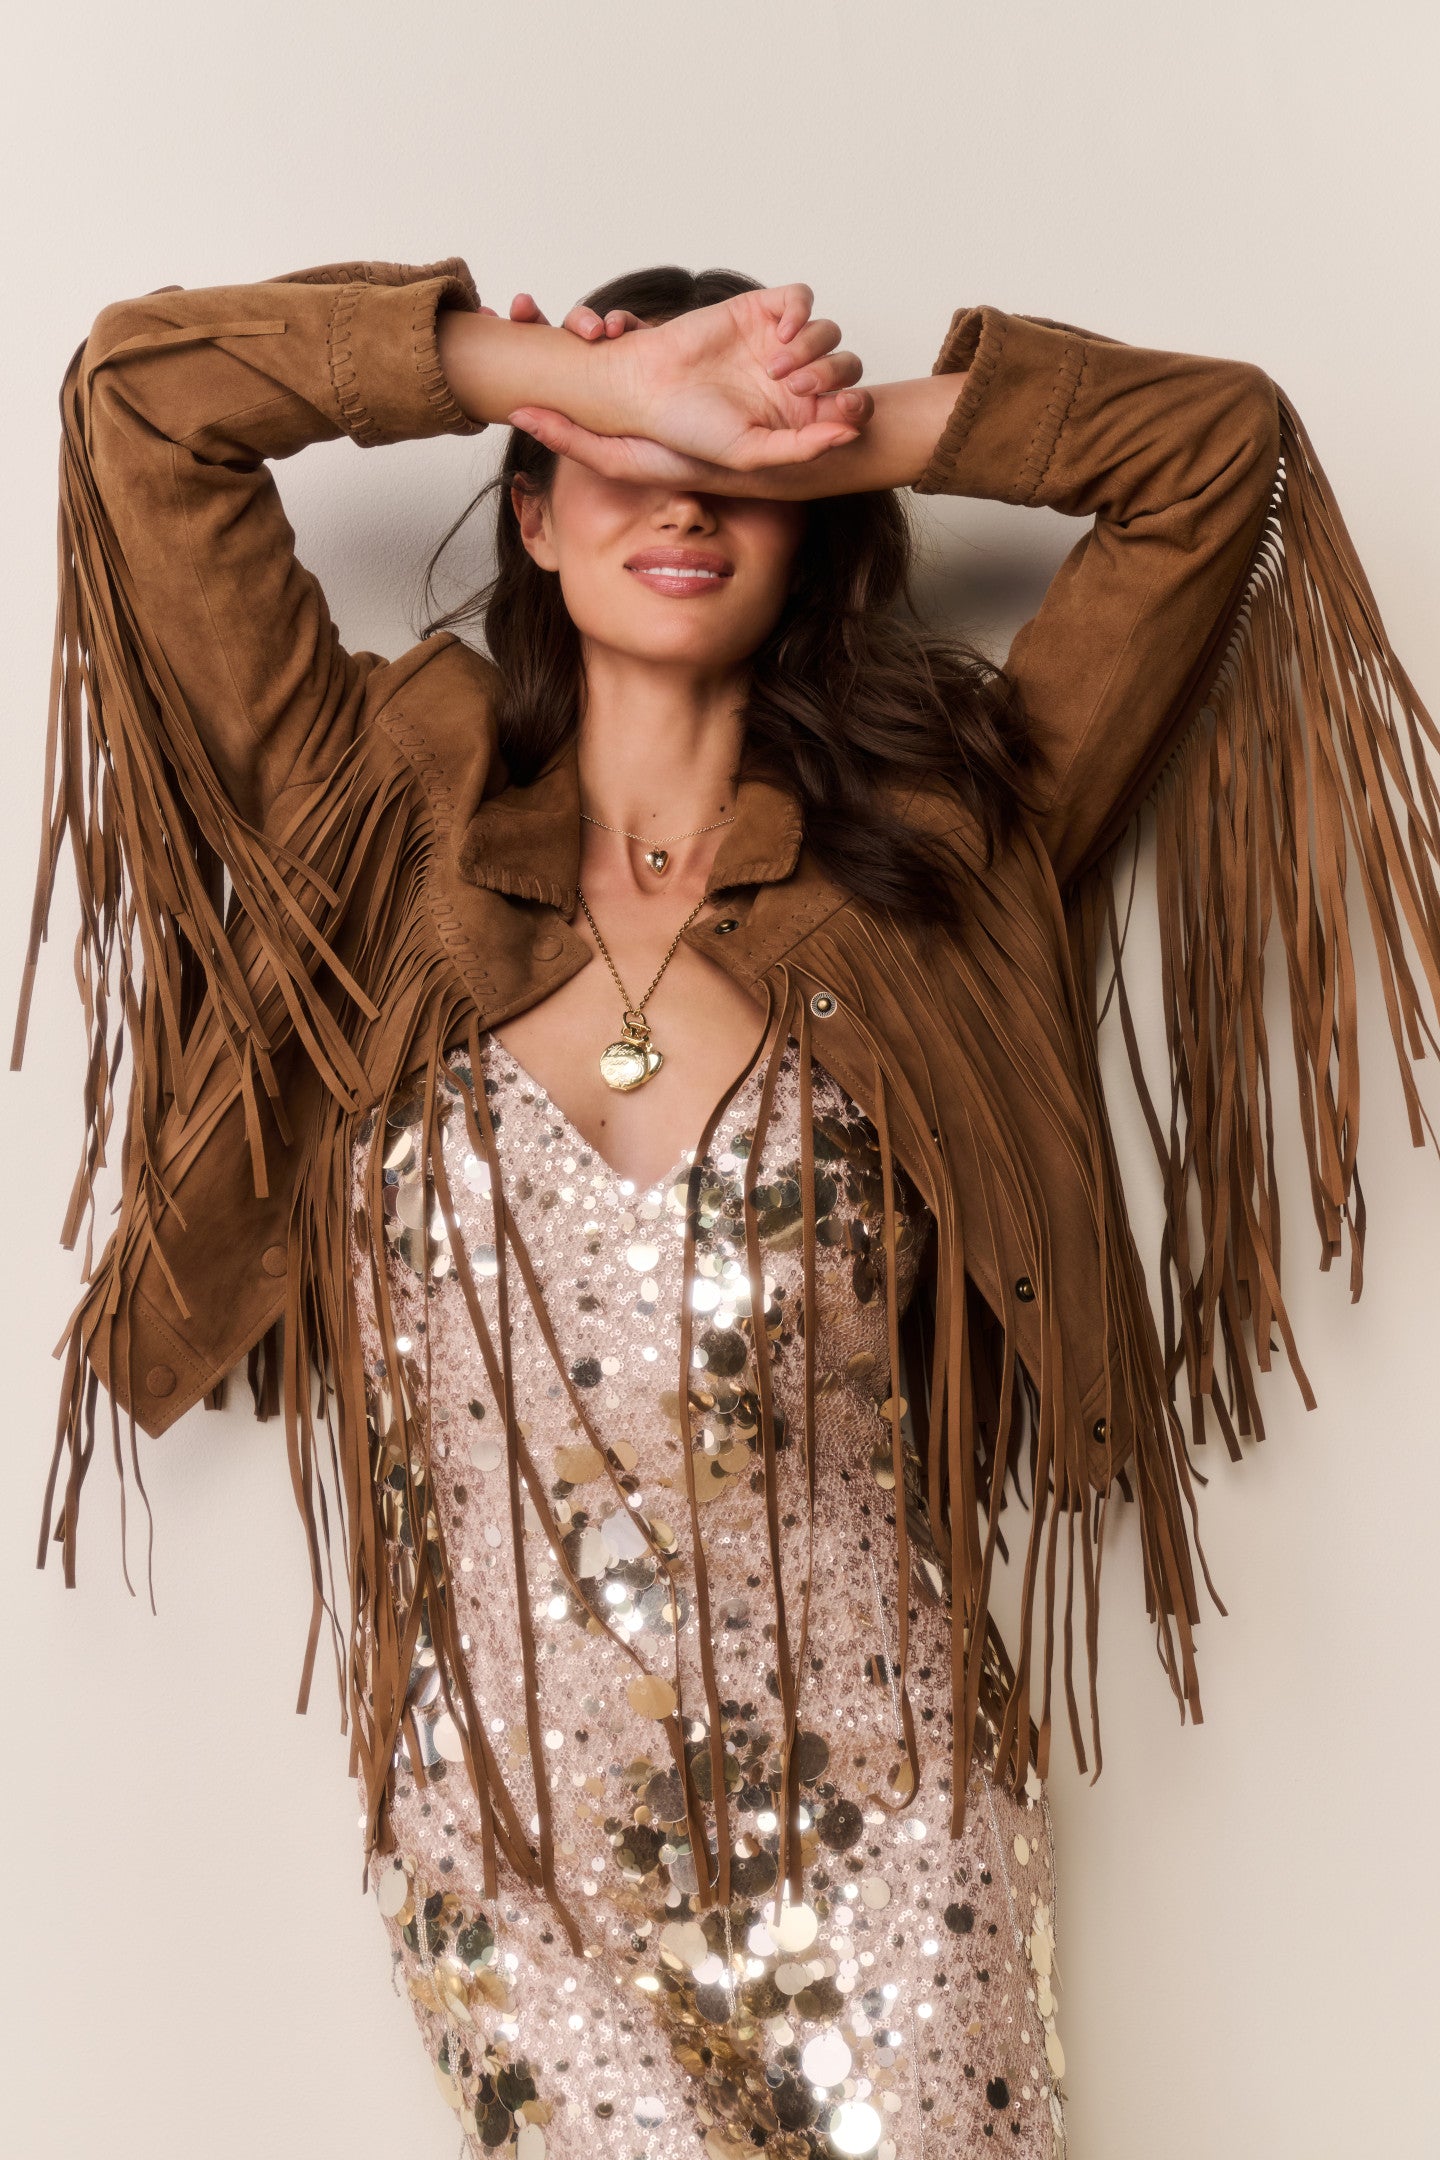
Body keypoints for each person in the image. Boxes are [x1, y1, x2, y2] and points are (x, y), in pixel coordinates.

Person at [15, 253, 1440, 2160]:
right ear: (532, 512)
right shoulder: (369, 821)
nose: (684, 503)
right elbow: (144, 400)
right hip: (513, 1845)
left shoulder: (942, 856)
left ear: (818, 535)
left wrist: (805, 433)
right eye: (623, 463)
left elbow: (1214, 451)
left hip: (896, 1838)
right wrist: (564, 376)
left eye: (739, 484)